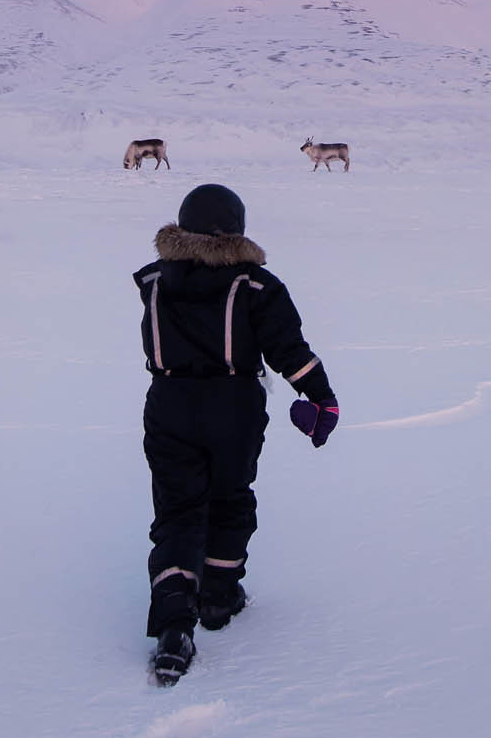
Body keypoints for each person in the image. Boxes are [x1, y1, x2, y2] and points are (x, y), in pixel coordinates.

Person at [133, 182, 339, 686]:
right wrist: (321, 397)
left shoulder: (156, 280)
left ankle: (174, 627)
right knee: (229, 498)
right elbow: (287, 348)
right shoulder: (255, 285)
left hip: (168, 402)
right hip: (233, 407)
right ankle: (220, 597)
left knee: (178, 511)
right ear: (236, 227)